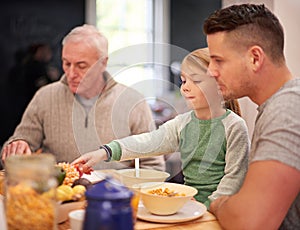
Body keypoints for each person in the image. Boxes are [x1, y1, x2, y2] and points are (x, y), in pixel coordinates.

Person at [72, 48, 250, 208]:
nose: (185, 88)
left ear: (220, 85)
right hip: (188, 205)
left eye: (195, 80)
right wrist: (104, 152)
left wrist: (207, 205)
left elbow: (234, 178)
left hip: (220, 209)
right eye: (183, 81)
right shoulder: (182, 123)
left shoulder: (234, 126)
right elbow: (148, 141)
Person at [1, 24, 165, 171]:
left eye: (81, 66)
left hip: (115, 200)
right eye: (66, 63)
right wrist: (15, 147)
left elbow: (153, 166)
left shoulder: (134, 102)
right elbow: (17, 145)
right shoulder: (45, 96)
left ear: (103, 63)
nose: (71, 74)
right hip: (57, 197)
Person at [203, 3, 300, 229]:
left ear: (255, 58)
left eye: (218, 60)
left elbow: (248, 222)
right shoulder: (278, 105)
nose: (210, 71)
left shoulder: (287, 108)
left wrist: (218, 203)